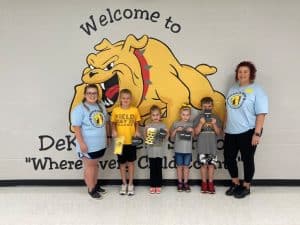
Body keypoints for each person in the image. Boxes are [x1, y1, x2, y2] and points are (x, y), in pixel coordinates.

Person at [224, 61, 268, 198]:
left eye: (245, 72)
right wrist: (224, 126)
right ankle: (235, 183)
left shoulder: (257, 90)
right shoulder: (232, 89)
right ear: (237, 74)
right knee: (229, 158)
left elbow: (261, 113)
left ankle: (246, 186)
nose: (242, 74)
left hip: (248, 131)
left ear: (251, 74)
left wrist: (257, 133)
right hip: (231, 131)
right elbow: (227, 109)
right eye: (240, 71)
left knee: (247, 159)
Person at [71, 84, 109, 199]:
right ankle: (91, 189)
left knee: (95, 165)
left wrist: (107, 137)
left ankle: (95, 185)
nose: (92, 95)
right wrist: (81, 143)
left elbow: (106, 122)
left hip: (100, 144)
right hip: (88, 145)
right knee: (90, 166)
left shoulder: (101, 105)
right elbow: (76, 128)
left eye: (94, 93)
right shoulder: (79, 109)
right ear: (85, 95)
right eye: (89, 93)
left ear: (97, 95)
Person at [111, 89, 141, 196]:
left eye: (128, 98)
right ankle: (123, 183)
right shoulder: (116, 110)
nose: (126, 100)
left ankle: (131, 183)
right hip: (119, 141)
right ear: (120, 99)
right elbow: (113, 123)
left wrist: (137, 130)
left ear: (131, 99)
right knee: (122, 163)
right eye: (123, 98)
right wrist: (113, 130)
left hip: (131, 140)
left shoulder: (135, 110)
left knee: (131, 163)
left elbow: (137, 122)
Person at [194, 97, 222, 194]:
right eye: (205, 106)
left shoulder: (216, 117)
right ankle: (204, 183)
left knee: (211, 166)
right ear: (201, 107)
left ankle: (210, 183)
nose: (207, 108)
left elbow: (219, 133)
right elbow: (196, 133)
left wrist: (214, 124)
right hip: (202, 147)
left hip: (212, 147)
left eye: (209, 106)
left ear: (212, 106)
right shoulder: (198, 118)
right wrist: (201, 124)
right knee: (203, 165)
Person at [144, 105, 168, 194]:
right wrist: (146, 132)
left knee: (158, 168)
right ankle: (152, 185)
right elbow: (146, 139)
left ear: (160, 115)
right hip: (151, 151)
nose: (155, 117)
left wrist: (167, 133)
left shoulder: (163, 125)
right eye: (153, 115)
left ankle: (158, 185)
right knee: (152, 168)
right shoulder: (148, 125)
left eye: (157, 115)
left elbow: (165, 138)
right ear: (150, 116)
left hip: (159, 151)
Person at [170, 104, 194, 192]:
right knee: (179, 167)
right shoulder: (176, 123)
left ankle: (186, 183)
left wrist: (193, 131)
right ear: (180, 115)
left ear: (190, 115)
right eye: (183, 114)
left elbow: (194, 137)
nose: (185, 116)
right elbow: (171, 137)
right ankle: (180, 183)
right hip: (178, 150)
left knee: (186, 167)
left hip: (188, 150)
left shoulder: (192, 124)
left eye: (187, 115)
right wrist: (176, 130)